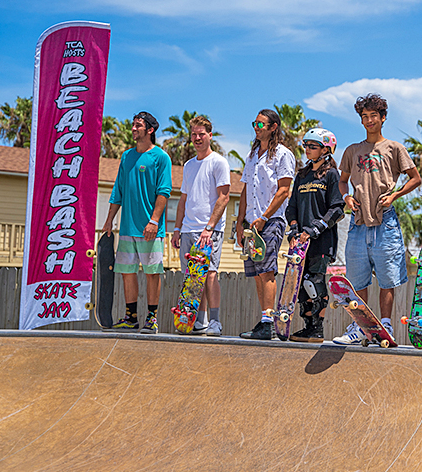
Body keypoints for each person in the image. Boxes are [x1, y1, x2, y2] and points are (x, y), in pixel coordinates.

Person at [335, 94, 421, 345]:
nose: (369, 120)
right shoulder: (352, 150)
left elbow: (415, 178)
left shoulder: (394, 148)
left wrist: (395, 195)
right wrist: (346, 198)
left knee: (387, 277)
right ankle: (360, 325)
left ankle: (385, 325)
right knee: (357, 277)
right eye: (365, 116)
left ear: (383, 118)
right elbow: (342, 181)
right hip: (358, 222)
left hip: (386, 221)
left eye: (374, 116)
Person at [101, 111, 173, 333]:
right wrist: (109, 221)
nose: (133, 129)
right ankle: (131, 317)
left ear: (150, 130)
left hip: (151, 229)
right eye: (133, 125)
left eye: (138, 125)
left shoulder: (161, 157)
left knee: (152, 273)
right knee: (127, 271)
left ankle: (151, 318)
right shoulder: (126, 156)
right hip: (127, 228)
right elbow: (118, 191)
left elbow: (164, 192)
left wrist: (154, 221)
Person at [238, 109, 295, 340]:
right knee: (257, 273)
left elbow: (283, 190)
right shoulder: (252, 155)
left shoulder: (283, 154)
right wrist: (242, 221)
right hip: (252, 223)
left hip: (271, 220)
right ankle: (264, 321)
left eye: (261, 124)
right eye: (255, 123)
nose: (256, 127)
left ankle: (269, 322)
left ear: (273, 127)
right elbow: (244, 189)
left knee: (267, 270)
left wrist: (263, 217)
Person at [170, 115, 230, 336]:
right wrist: (177, 229)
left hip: (209, 230)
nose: (197, 138)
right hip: (187, 228)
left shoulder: (218, 162)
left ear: (210, 135)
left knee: (210, 274)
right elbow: (183, 200)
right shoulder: (188, 165)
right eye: (194, 134)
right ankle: (199, 320)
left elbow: (224, 197)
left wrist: (209, 227)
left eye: (201, 134)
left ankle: (215, 321)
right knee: (192, 279)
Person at [286, 128, 345, 343]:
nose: (307, 149)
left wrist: (315, 229)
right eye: (306, 145)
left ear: (326, 150)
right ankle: (307, 327)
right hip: (299, 242)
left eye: (312, 146)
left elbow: (338, 208)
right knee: (300, 285)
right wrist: (294, 228)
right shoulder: (301, 176)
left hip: (322, 241)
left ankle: (318, 329)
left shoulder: (331, 175)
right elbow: (291, 207)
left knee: (314, 282)